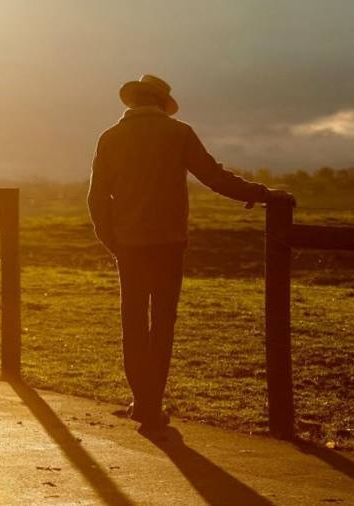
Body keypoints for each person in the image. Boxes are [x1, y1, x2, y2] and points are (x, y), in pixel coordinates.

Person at [87, 74, 295, 431]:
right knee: (163, 322)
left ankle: (142, 401)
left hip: (129, 245)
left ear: (134, 100)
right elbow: (214, 177)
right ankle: (152, 403)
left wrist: (113, 242)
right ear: (160, 101)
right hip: (168, 243)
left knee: (133, 322)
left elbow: (96, 198)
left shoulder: (110, 138)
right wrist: (263, 193)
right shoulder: (178, 133)